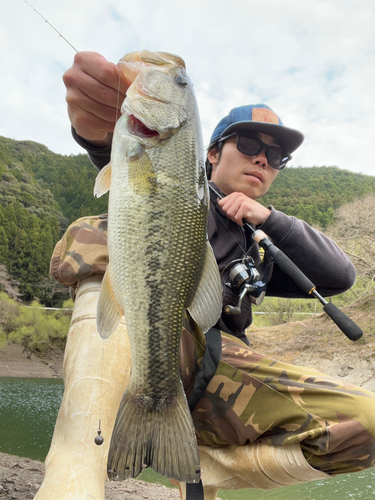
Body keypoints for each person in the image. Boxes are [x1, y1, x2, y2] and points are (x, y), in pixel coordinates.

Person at [36, 52, 375, 500]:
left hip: (220, 373)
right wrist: (95, 128)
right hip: (143, 343)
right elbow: (120, 155)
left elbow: (340, 276)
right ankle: (74, 471)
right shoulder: (181, 185)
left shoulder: (259, 240)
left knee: (367, 422)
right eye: (249, 146)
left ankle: (206, 463)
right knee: (98, 234)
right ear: (210, 152)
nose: (263, 160)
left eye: (276, 156)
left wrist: (268, 219)